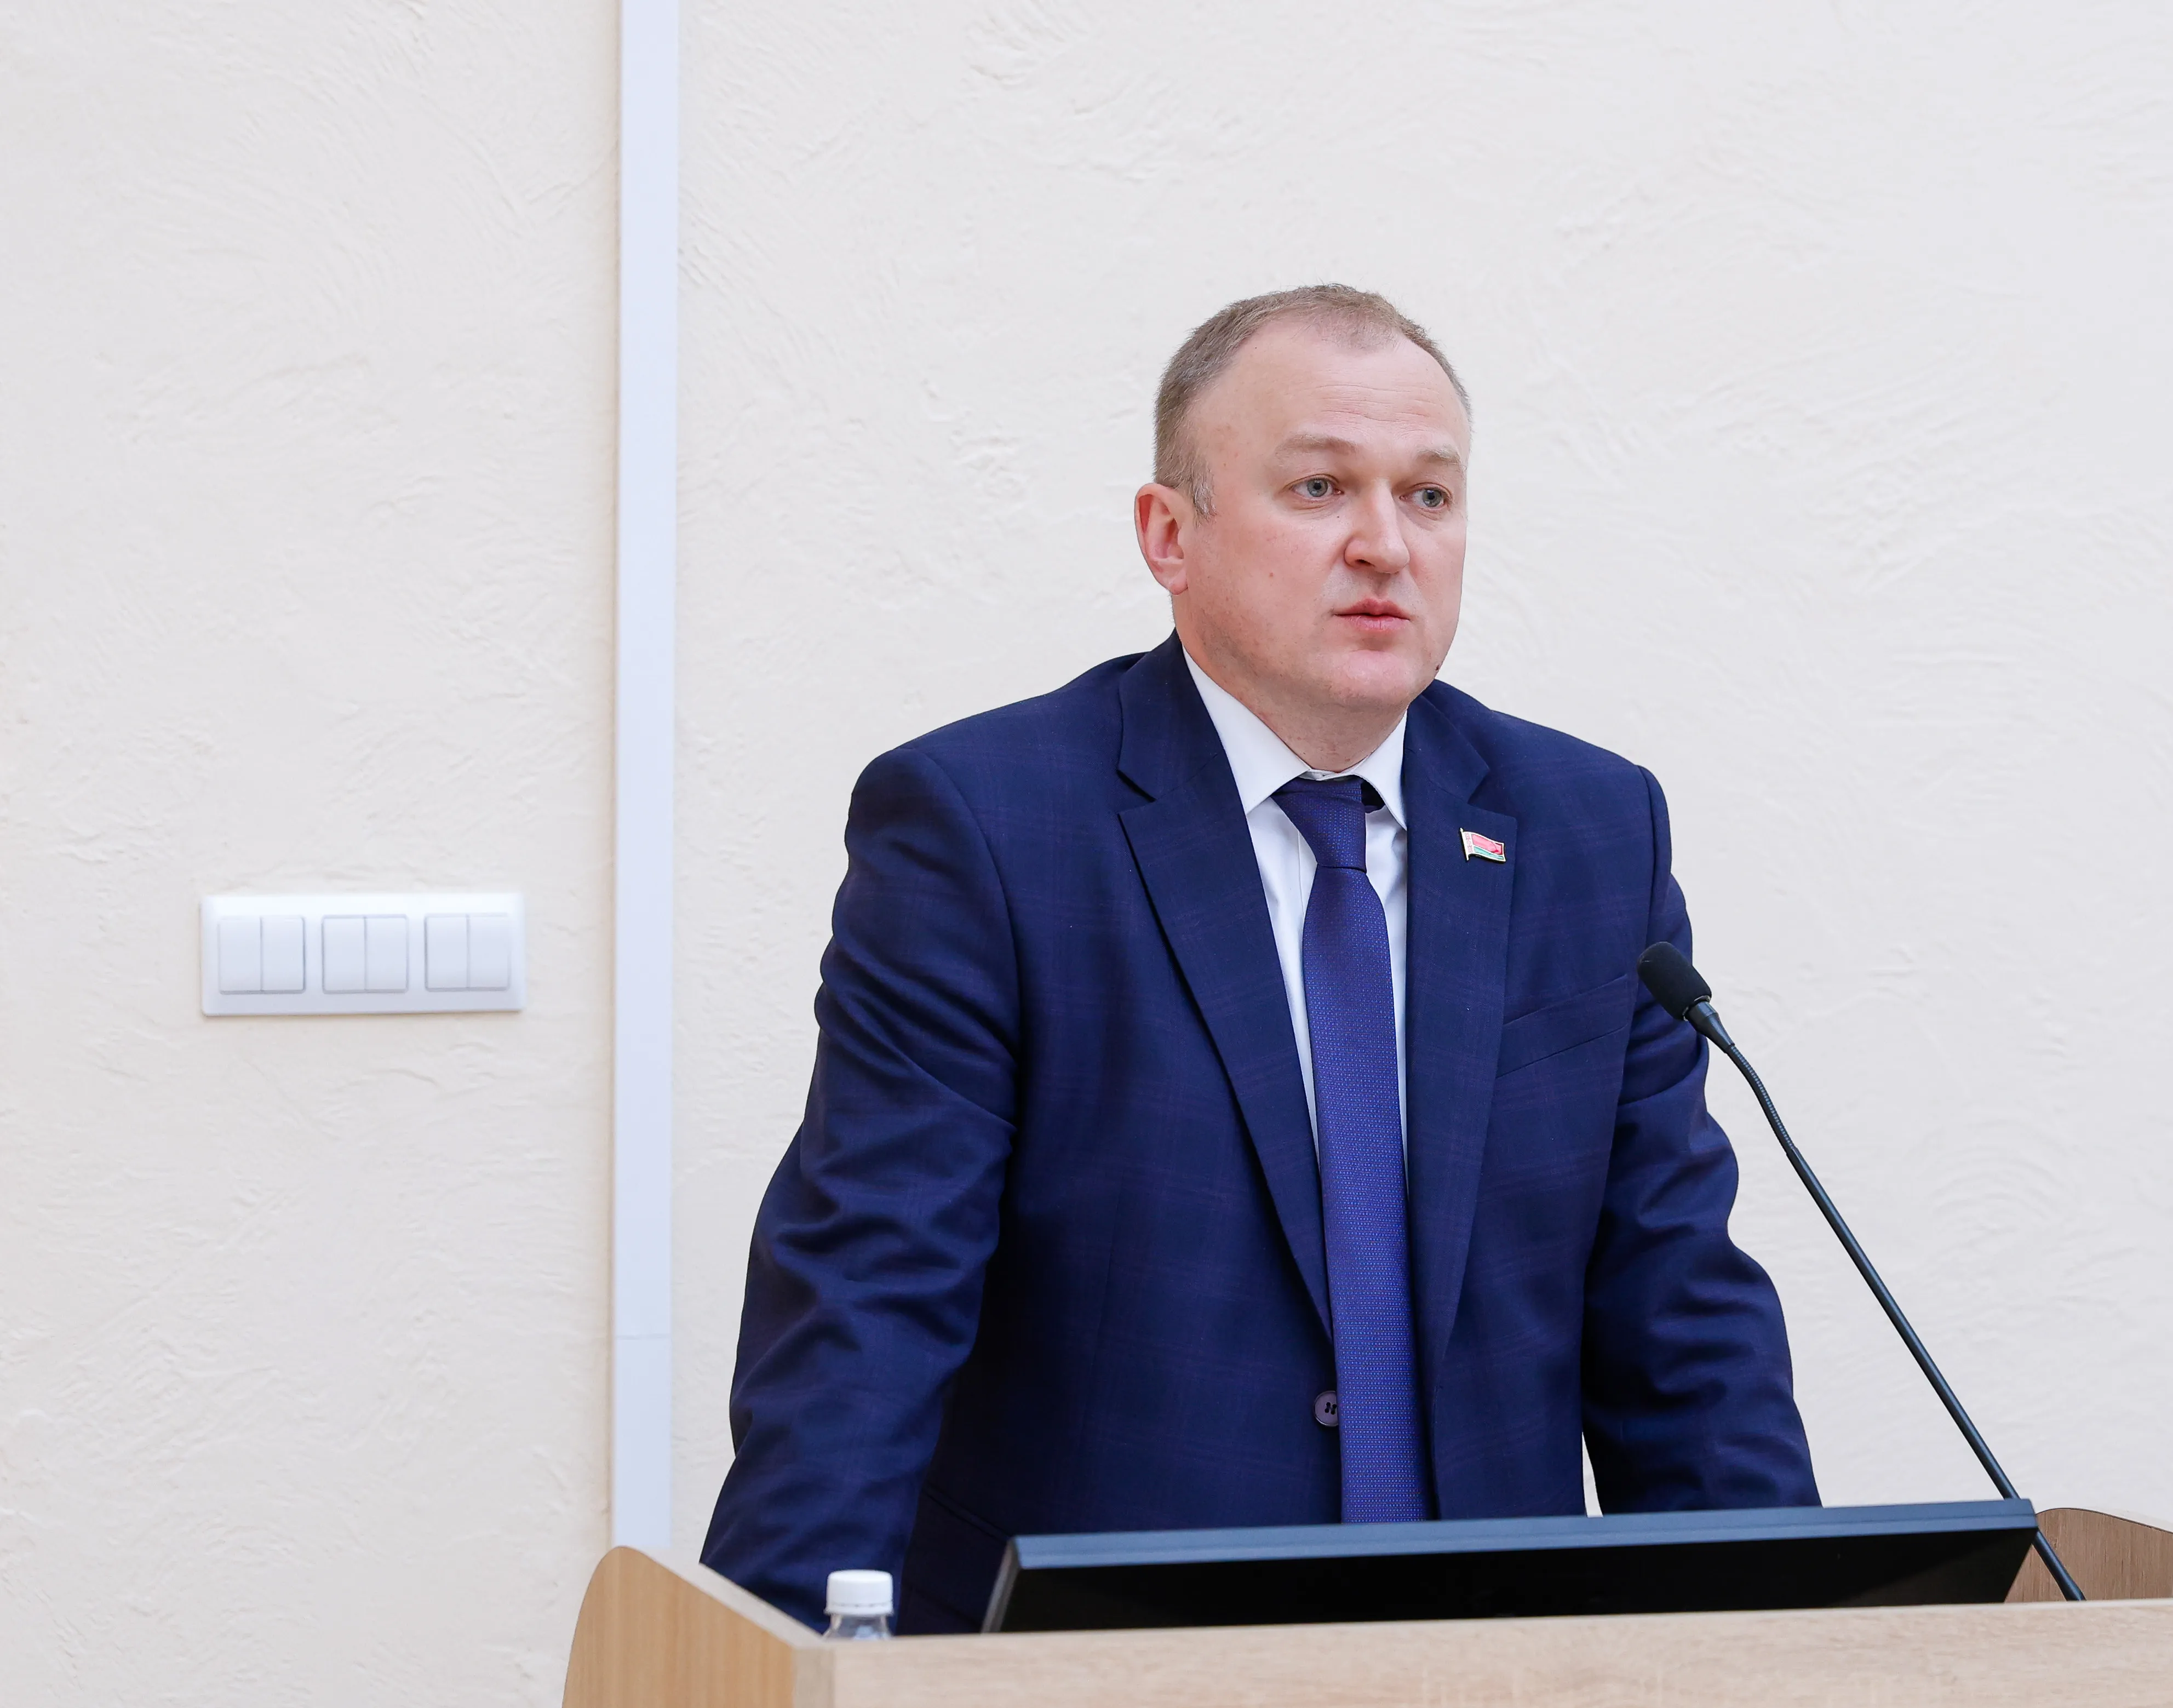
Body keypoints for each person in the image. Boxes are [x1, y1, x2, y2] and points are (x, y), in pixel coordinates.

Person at [703, 285, 1816, 1630]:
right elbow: (869, 1306)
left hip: (1497, 1671)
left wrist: (1784, 1651)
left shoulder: (1588, 831)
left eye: (1428, 495)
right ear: (1169, 535)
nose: (1384, 544)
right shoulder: (988, 829)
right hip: (1105, 1671)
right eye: (1318, 488)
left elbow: (1676, 1311)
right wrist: (786, 1678)